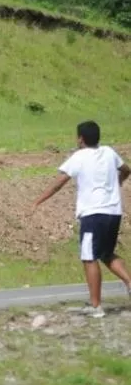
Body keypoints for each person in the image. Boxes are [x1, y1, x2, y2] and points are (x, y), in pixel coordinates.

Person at [33, 120, 131, 318]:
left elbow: (58, 184)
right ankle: (130, 282)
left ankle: (95, 307)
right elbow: (127, 169)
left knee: (89, 257)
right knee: (106, 253)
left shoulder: (79, 157)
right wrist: (118, 182)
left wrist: (37, 202)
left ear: (81, 139)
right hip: (113, 212)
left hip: (93, 214)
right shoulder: (110, 153)